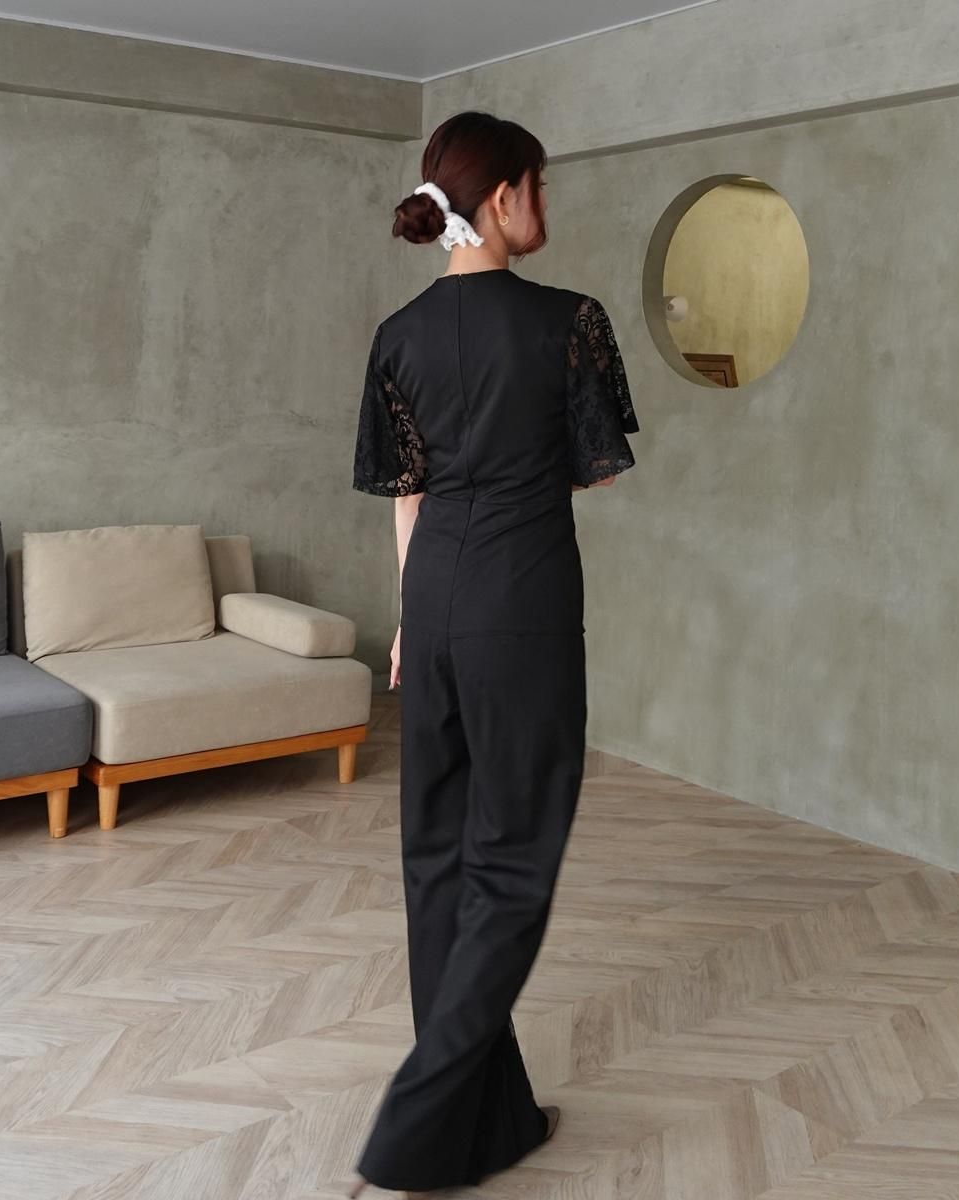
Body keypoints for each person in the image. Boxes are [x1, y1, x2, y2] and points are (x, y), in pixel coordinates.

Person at [345, 110, 639, 1198]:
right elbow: (593, 466)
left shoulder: (399, 334)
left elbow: (406, 492)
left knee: (437, 857)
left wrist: (411, 622)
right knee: (512, 861)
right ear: (506, 196)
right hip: (522, 603)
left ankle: (491, 1120)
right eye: (540, 187)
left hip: (434, 602)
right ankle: (416, 1130)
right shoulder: (570, 320)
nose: (545, 205)